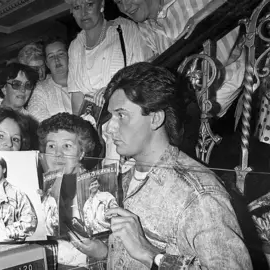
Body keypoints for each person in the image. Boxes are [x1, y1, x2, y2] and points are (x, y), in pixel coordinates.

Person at [70, 62, 251, 269]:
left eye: (121, 115)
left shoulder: (199, 195)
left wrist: (150, 254)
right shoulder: (125, 179)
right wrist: (100, 251)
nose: (109, 129)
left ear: (155, 118)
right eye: (111, 116)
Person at [114, 0, 244, 117]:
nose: (126, 7)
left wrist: (203, 15)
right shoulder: (145, 29)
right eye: (119, 2)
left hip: (231, 83)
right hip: (195, 106)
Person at [37, 113, 104, 269]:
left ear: (81, 152)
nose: (57, 154)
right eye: (51, 146)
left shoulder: (99, 189)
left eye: (66, 146)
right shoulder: (36, 187)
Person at [65, 0, 152, 113]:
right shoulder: (74, 47)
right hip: (94, 123)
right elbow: (77, 96)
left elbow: (145, 74)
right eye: (77, 7)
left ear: (101, 5)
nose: (83, 13)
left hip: (127, 114)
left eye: (89, 4)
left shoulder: (125, 29)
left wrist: (113, 90)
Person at [28, 37, 72, 122]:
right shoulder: (40, 90)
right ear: (47, 64)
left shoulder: (84, 81)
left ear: (69, 56)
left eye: (61, 54)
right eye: (51, 56)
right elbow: (39, 122)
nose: (56, 59)